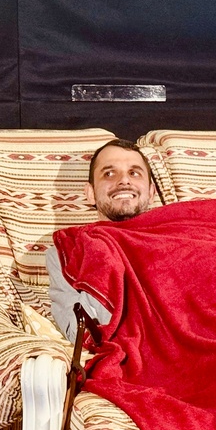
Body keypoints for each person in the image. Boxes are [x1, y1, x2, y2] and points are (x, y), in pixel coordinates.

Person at [46, 138, 156, 342]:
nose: (124, 181)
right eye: (109, 173)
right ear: (90, 194)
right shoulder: (66, 254)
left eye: (134, 173)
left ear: (151, 192)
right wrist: (99, 258)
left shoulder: (179, 239)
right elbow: (79, 334)